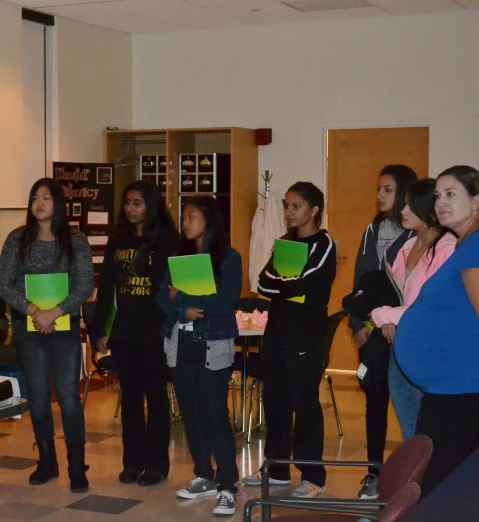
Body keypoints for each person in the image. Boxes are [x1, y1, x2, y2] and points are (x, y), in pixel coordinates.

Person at [0, 178, 94, 492]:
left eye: (46, 198)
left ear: (58, 204)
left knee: (68, 398)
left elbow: (85, 285)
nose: (39, 203)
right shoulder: (17, 238)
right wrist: (36, 311)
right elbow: (3, 285)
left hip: (65, 326)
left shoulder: (75, 240)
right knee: (37, 398)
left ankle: (77, 465)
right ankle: (47, 461)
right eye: (35, 197)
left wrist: (56, 311)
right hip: (30, 327)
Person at [246, 182, 337, 499]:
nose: (289, 212)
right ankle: (277, 467)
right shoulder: (284, 242)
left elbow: (309, 285)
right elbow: (263, 283)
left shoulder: (324, 244)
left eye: (296, 206)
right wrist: (289, 286)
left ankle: (313, 476)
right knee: (276, 402)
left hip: (306, 334)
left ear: (314, 210)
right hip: (277, 332)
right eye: (287, 205)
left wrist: (286, 286)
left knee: (305, 405)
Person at [395, 165, 479, 497]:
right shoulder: (465, 245)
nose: (440, 202)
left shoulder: (473, 247)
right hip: (452, 389)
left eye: (451, 194)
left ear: (476, 201)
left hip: (459, 390)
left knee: (437, 484)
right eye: (437, 196)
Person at [156, 195, 242, 516]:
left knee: (215, 415)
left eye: (192, 216)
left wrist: (185, 298)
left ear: (209, 219)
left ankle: (228, 484)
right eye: (184, 216)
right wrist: (182, 308)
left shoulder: (228, 259)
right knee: (190, 413)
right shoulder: (178, 257)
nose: (186, 222)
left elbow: (225, 301)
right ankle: (203, 474)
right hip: (180, 343)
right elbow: (161, 297)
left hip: (213, 345)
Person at [91, 180, 179, 486]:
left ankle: (157, 464)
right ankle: (132, 462)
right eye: (127, 202)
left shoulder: (169, 241)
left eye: (137, 203)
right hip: (124, 332)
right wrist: (99, 329)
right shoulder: (118, 240)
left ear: (151, 206)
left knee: (155, 399)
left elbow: (177, 287)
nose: (130, 209)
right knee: (129, 400)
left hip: (156, 332)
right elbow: (106, 289)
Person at [347, 164, 417, 500]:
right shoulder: (372, 230)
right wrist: (357, 324)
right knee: (374, 403)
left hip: (402, 331)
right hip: (372, 332)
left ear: (404, 192)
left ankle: (416, 475)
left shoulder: (417, 233)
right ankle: (373, 474)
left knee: (410, 406)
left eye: (387, 190)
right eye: (378, 189)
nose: (379, 196)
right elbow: (360, 282)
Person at [369, 179, 456, 445]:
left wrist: (382, 315)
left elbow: (428, 307)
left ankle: (434, 485)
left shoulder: (448, 247)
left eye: (408, 205)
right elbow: (397, 297)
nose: (402, 211)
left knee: (432, 431)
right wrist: (389, 321)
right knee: (410, 432)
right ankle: (416, 483)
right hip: (401, 346)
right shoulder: (406, 248)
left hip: (432, 351)